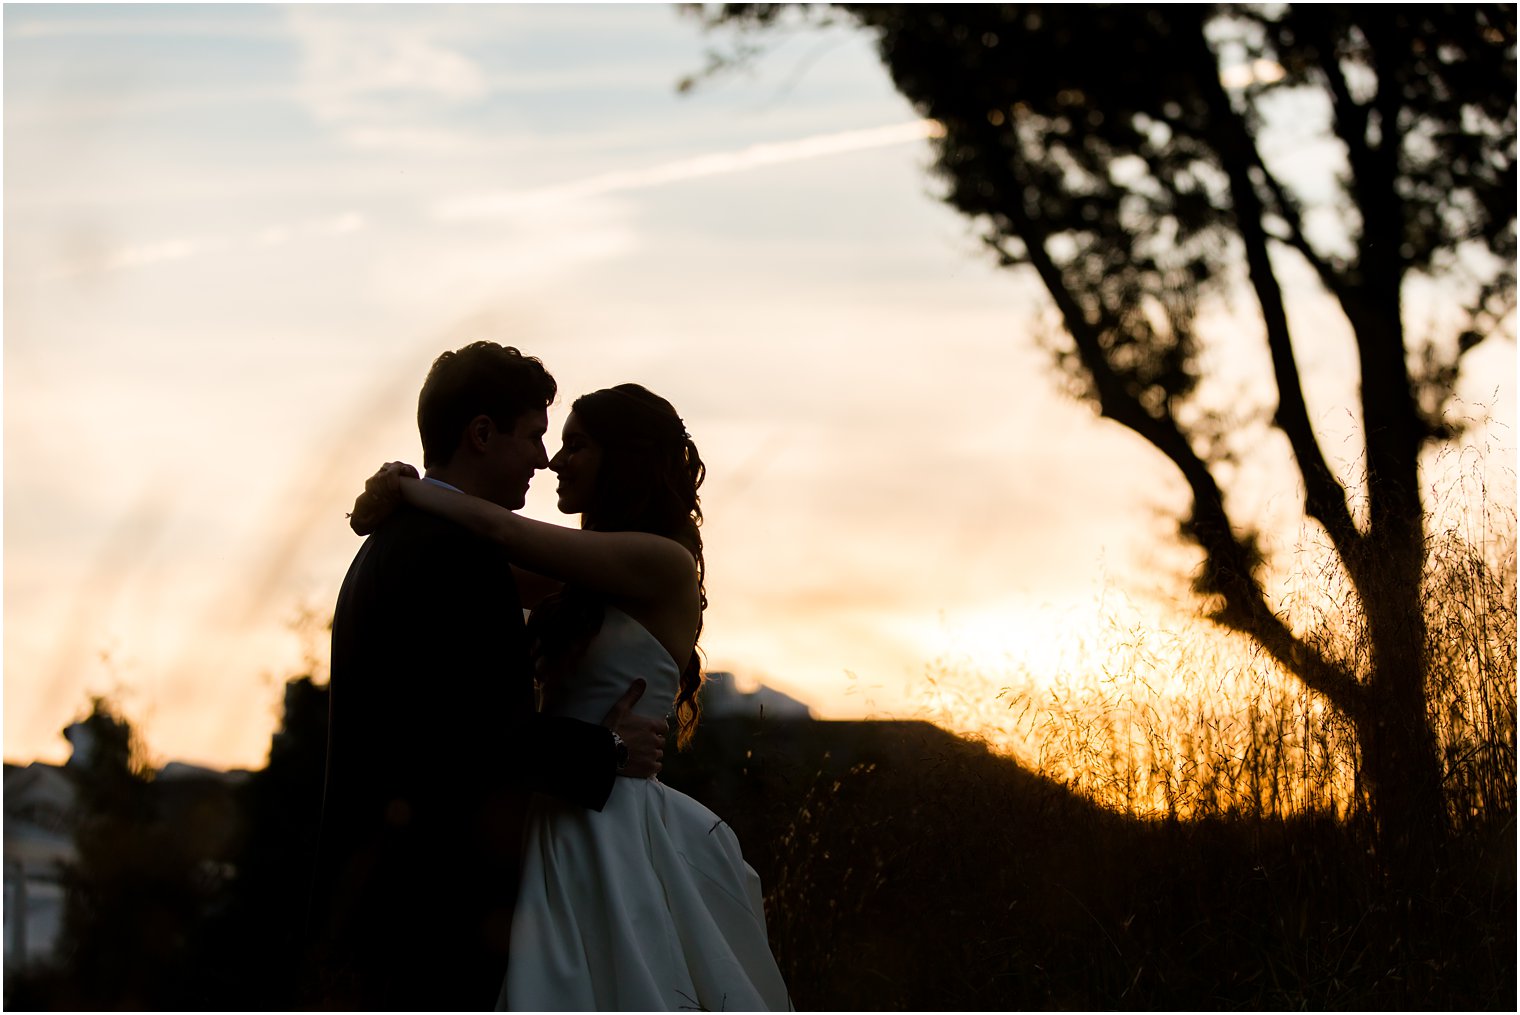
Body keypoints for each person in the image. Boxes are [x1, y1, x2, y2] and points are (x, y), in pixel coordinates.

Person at [352, 382, 792, 1011]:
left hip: (610, 821)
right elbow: (467, 567)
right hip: (551, 799)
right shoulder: (575, 578)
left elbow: (495, 529)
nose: (555, 461)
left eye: (576, 444)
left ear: (627, 458)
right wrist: (395, 500)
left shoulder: (662, 564)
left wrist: (410, 489)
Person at [308, 343, 669, 1010]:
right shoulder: (454, 557)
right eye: (534, 434)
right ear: (481, 433)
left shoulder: (396, 541)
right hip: (427, 918)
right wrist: (607, 748)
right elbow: (475, 740)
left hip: (385, 907)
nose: (543, 457)